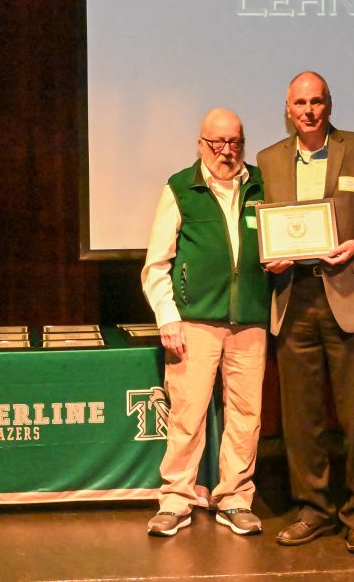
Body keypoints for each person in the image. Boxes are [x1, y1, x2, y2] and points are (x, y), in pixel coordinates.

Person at [257, 71, 354, 554]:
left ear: (329, 105)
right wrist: (270, 254)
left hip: (353, 297)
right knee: (301, 419)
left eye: (317, 101)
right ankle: (314, 509)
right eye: (300, 103)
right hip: (294, 297)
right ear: (288, 109)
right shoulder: (268, 159)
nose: (308, 110)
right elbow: (262, 221)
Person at [140, 108, 270, 537]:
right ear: (201, 144)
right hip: (193, 322)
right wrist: (167, 317)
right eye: (217, 143)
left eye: (234, 142)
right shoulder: (181, 187)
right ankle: (176, 498)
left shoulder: (263, 186)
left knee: (246, 416)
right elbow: (156, 264)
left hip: (250, 318)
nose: (226, 151)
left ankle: (233, 498)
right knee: (187, 414)